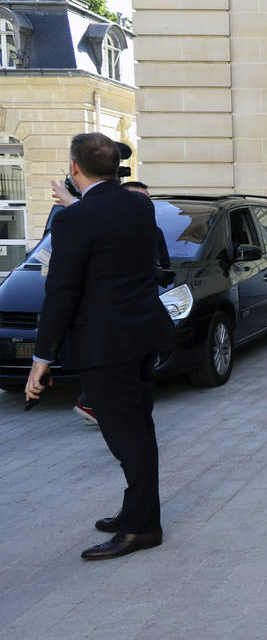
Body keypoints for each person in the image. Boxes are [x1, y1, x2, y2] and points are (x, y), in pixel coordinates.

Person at [27, 133, 174, 560]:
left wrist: (42, 358)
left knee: (129, 438)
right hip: (143, 337)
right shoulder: (138, 205)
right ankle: (136, 509)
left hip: (108, 346)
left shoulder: (76, 219)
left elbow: (61, 293)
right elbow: (108, 233)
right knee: (138, 430)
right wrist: (76, 208)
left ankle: (143, 527)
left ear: (74, 169)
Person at [48, 178, 170, 426]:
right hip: (108, 324)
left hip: (141, 321)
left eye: (144, 200)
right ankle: (97, 405)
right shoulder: (93, 224)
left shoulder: (150, 231)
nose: (139, 204)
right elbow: (102, 224)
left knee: (134, 397)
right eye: (134, 197)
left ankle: (106, 410)